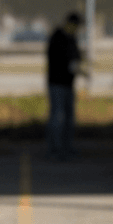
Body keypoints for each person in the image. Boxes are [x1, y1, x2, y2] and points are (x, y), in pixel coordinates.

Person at [46, 12, 83, 159]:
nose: (76, 29)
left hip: (68, 83)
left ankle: (66, 146)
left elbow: (76, 57)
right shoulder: (58, 38)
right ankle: (55, 147)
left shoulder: (72, 39)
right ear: (69, 24)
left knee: (69, 116)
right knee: (57, 115)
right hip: (57, 83)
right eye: (75, 26)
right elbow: (58, 59)